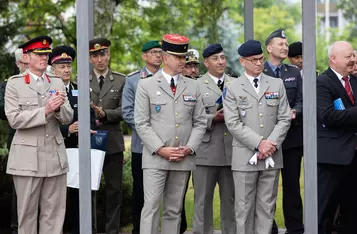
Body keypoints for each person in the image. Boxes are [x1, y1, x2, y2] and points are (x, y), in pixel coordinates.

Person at [134, 34, 207, 234]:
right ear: (166, 58)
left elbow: (200, 121)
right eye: (178, 57)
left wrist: (189, 148)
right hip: (156, 157)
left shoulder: (193, 85)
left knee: (174, 210)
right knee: (151, 207)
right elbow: (141, 122)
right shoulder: (146, 85)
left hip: (182, 157)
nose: (183, 61)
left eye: (184, 57)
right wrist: (160, 149)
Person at [4, 35, 73, 234]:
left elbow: (68, 117)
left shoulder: (57, 82)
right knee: (26, 215)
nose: (44, 58)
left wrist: (59, 109)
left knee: (54, 214)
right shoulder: (15, 84)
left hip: (54, 157)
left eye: (46, 54)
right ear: (26, 57)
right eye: (38, 54)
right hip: (27, 160)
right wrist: (45, 110)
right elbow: (14, 119)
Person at [224, 39, 291, 234]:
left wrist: (270, 144)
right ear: (243, 61)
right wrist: (259, 143)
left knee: (267, 207)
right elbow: (233, 123)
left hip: (272, 156)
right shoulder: (234, 87)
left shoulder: (276, 84)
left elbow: (284, 117)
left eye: (261, 59)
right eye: (253, 60)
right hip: (245, 157)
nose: (259, 63)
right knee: (243, 208)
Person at [48, 45, 96, 234]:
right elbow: (46, 121)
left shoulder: (80, 90)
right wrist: (67, 129)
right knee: (57, 198)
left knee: (79, 197)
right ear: (53, 69)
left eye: (68, 66)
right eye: (62, 66)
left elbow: (91, 116)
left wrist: (89, 128)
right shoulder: (48, 90)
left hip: (79, 150)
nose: (66, 70)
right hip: (57, 150)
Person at [263, 29, 304, 234]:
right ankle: (268, 227)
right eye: (280, 43)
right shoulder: (260, 71)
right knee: (267, 188)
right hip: (267, 140)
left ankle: (295, 228)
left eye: (286, 44)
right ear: (269, 48)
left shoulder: (293, 72)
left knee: (292, 187)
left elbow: (302, 99)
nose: (285, 47)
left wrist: (296, 110)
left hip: (291, 139)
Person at [192, 44, 235, 234]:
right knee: (202, 201)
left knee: (231, 201)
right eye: (216, 58)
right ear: (206, 62)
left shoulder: (237, 83)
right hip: (206, 152)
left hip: (232, 151)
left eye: (223, 57)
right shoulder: (195, 85)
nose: (220, 62)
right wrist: (212, 118)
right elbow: (189, 117)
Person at [316, 41, 357, 234]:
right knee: (325, 211)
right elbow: (328, 116)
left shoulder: (355, 81)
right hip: (332, 159)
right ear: (333, 59)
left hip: (354, 157)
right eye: (348, 56)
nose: (353, 60)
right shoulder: (321, 82)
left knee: (352, 211)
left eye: (353, 56)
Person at [122, 40, 162, 234]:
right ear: (144, 56)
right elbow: (128, 112)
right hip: (142, 146)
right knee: (141, 193)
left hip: (168, 144)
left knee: (170, 194)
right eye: (154, 52)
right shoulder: (133, 80)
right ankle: (138, 230)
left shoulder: (170, 77)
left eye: (160, 52)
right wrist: (150, 133)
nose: (158, 56)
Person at [88, 37, 126, 234]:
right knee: (89, 191)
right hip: (89, 142)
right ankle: (90, 229)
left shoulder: (121, 80)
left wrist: (106, 114)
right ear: (90, 58)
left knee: (114, 191)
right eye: (95, 55)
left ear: (108, 55)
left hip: (112, 143)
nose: (99, 59)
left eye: (102, 54)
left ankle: (112, 230)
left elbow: (126, 111)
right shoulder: (80, 80)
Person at [0, 48, 29, 234]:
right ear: (18, 64)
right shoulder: (8, 84)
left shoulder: (43, 82)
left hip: (41, 138)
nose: (29, 67)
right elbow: (4, 110)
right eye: (25, 64)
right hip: (18, 137)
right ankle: (15, 225)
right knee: (18, 184)